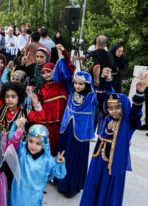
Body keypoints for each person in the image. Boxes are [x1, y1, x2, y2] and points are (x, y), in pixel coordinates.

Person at [80, 71, 146, 206]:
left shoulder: (128, 123)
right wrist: (107, 79)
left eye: (117, 107)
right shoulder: (108, 117)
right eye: (110, 108)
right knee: (94, 184)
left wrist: (139, 94)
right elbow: (103, 97)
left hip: (114, 162)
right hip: (98, 159)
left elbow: (136, 113)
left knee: (108, 189)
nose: (113, 111)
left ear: (124, 107)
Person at [52, 47, 101, 197]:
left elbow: (103, 93)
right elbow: (67, 73)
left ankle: (71, 186)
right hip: (67, 131)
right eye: (76, 83)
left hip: (80, 135)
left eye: (81, 84)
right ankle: (59, 180)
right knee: (63, 154)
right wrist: (64, 54)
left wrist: (103, 79)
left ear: (87, 85)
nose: (78, 86)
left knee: (74, 159)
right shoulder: (71, 91)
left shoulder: (92, 97)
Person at [9, 124, 67, 206]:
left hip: (34, 199)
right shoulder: (22, 151)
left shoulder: (48, 160)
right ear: (27, 139)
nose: (33, 146)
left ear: (44, 145)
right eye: (31, 141)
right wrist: (16, 125)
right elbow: (12, 140)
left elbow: (60, 174)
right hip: (18, 195)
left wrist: (59, 164)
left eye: (38, 143)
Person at [36, 46, 73, 156]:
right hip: (46, 126)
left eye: (49, 72)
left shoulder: (62, 85)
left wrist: (64, 52)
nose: (46, 75)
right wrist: (34, 99)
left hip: (60, 125)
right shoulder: (42, 88)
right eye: (44, 73)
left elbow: (67, 69)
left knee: (57, 151)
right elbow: (38, 107)